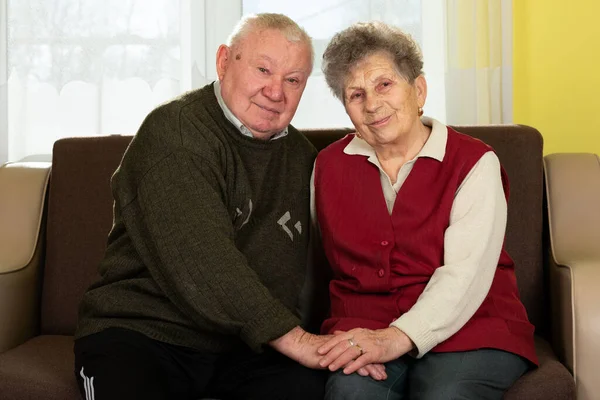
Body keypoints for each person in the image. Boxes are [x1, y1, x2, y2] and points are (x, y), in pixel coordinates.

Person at [73, 13, 330, 400]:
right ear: (225, 61)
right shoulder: (174, 133)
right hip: (143, 334)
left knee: (308, 390)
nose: (276, 92)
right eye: (263, 69)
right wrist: (295, 339)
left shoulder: (301, 158)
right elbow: (204, 261)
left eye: (293, 80)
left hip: (246, 347)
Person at [310, 21, 538, 400]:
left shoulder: (474, 162)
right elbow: (309, 269)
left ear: (418, 90)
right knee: (353, 394)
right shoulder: (327, 167)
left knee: (446, 394)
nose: (372, 104)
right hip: (362, 329)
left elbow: (465, 276)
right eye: (355, 94)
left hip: (473, 327)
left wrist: (395, 339)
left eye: (384, 84)